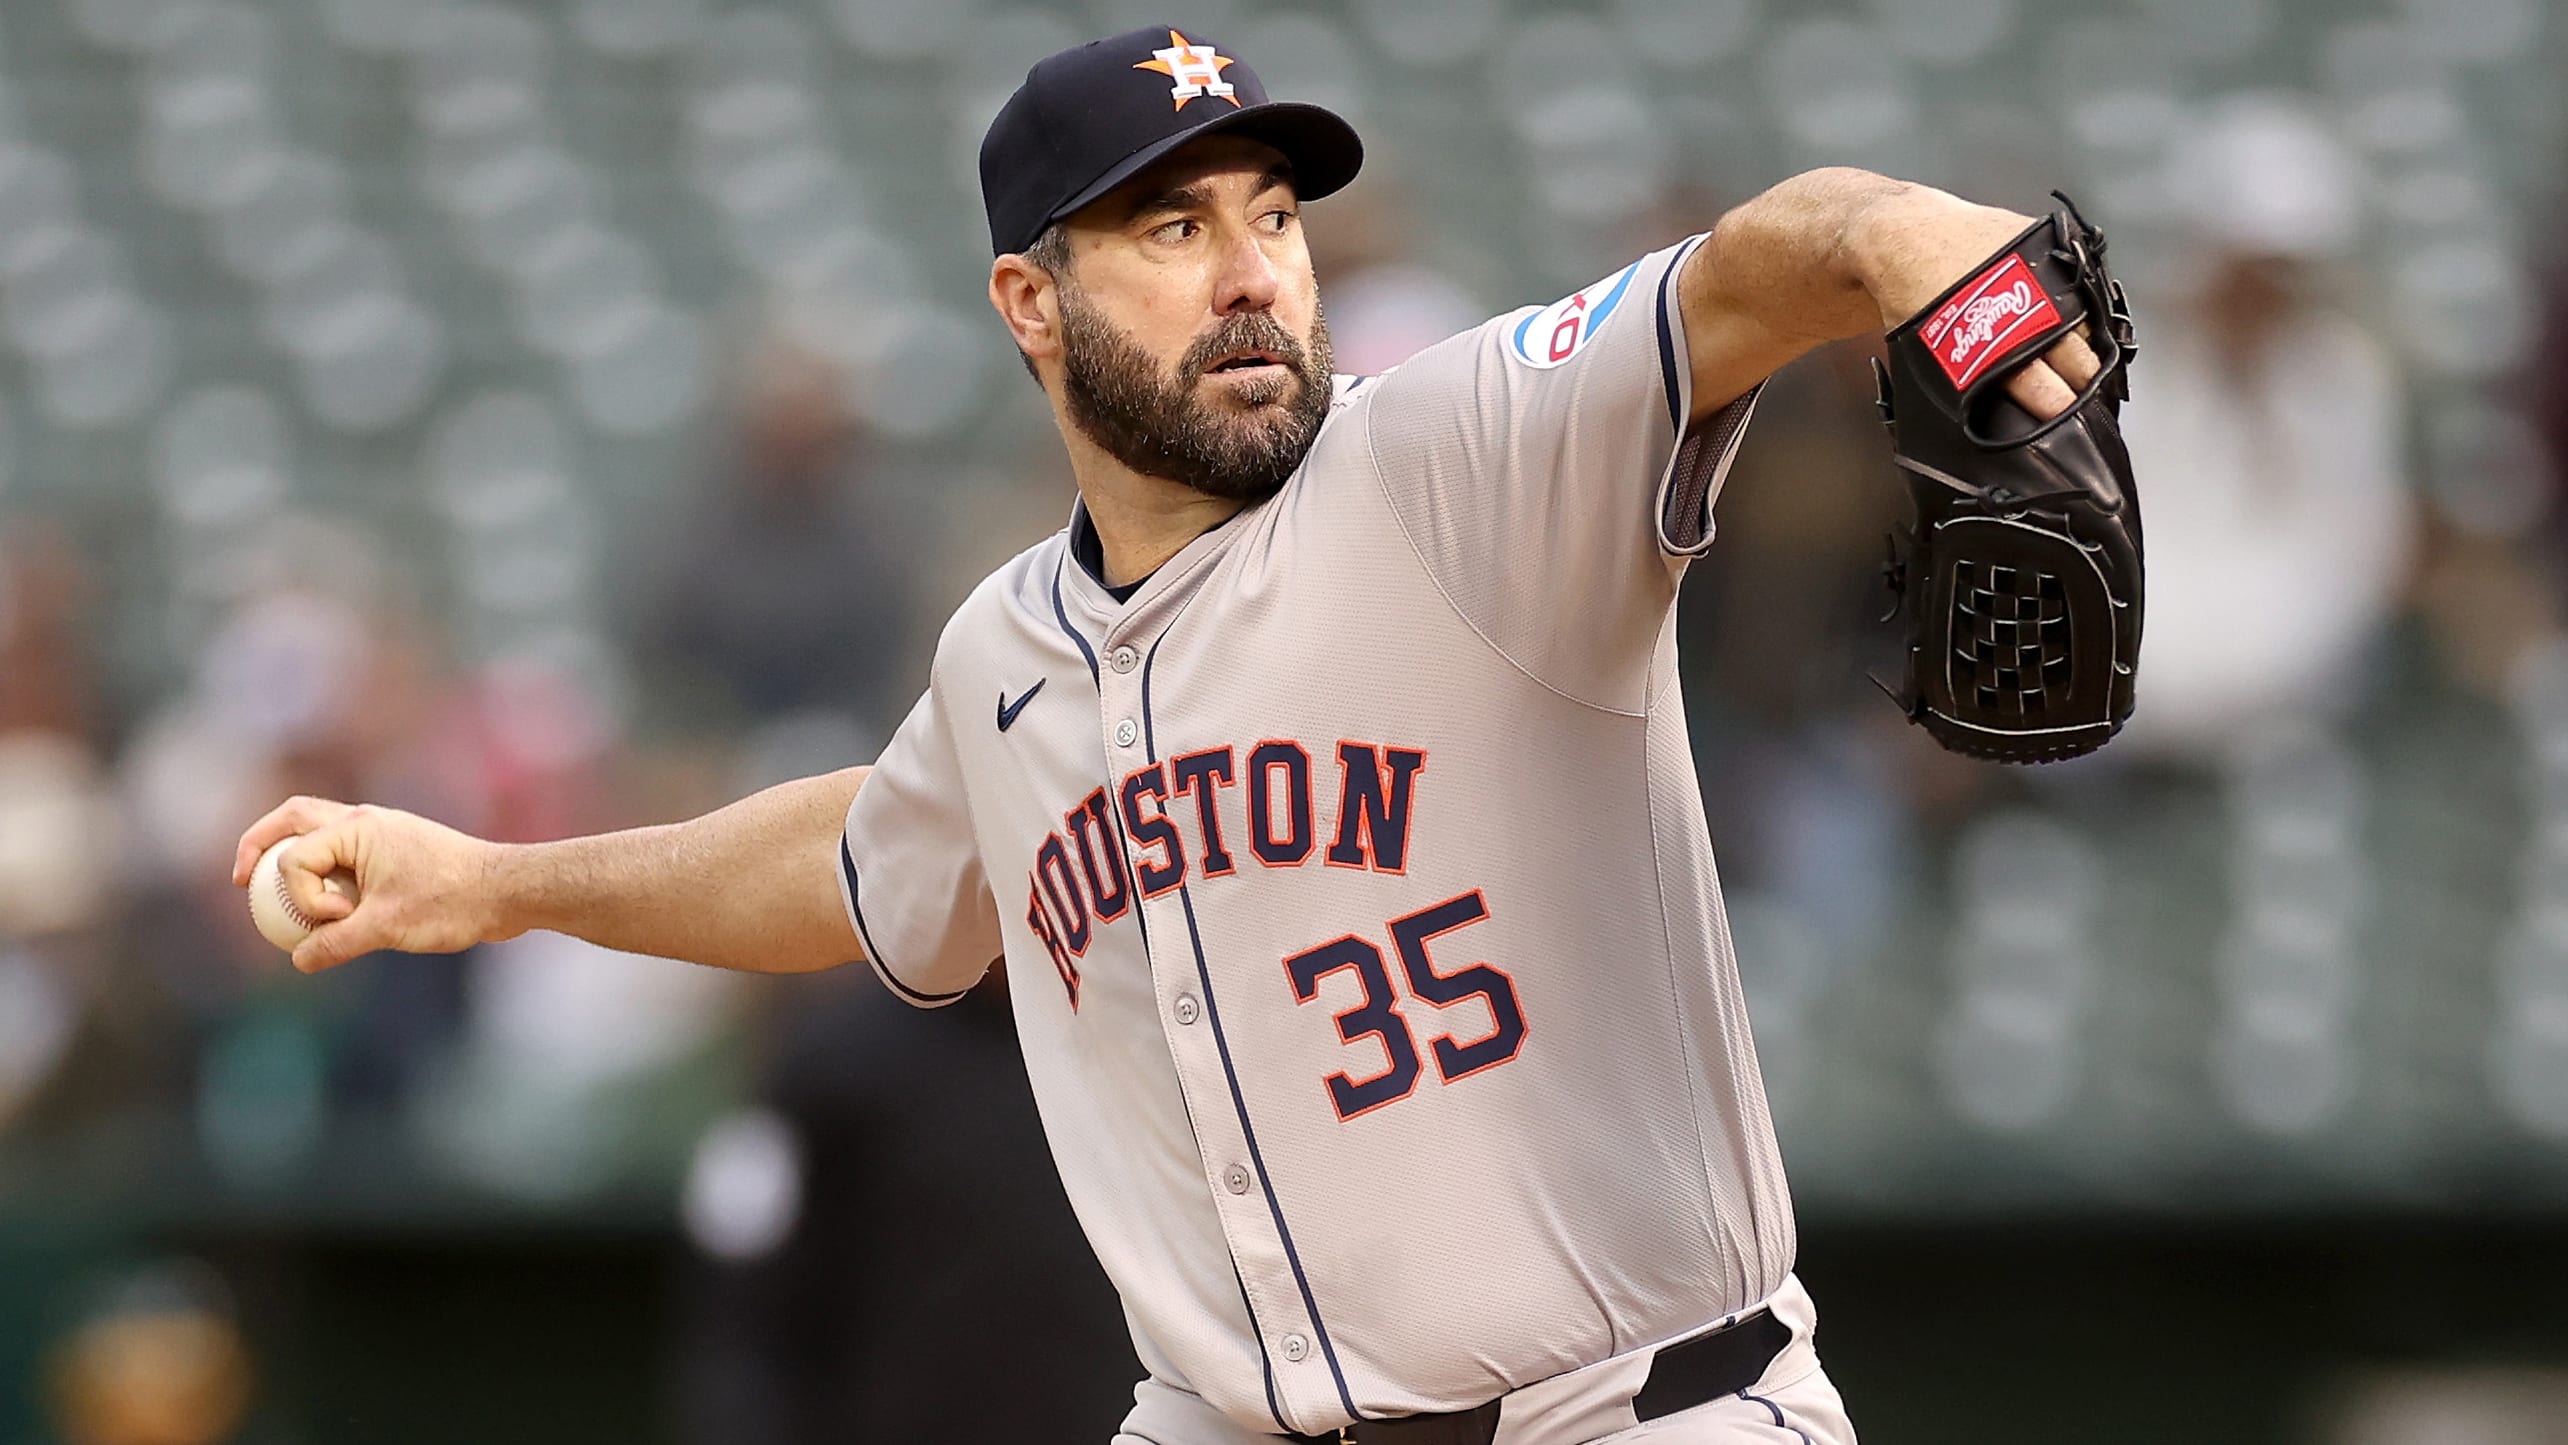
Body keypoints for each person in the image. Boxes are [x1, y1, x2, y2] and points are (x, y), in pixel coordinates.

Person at [233, 26, 2106, 1445]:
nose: (1250, 273)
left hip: (1638, 1410)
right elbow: (861, 859)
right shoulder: (1007, 657)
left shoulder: (1458, 458)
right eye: (1173, 225)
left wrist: (1907, 235)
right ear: (1028, 304)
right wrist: (490, 881)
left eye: (1276, 219)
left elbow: (1743, 277)